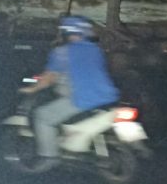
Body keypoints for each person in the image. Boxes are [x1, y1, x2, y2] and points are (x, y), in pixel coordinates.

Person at [22, 16, 120, 164]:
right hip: (108, 97)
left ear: (67, 33)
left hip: (82, 99)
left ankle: (49, 156)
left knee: (41, 116)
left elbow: (48, 79)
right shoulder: (96, 50)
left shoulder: (62, 52)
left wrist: (31, 89)